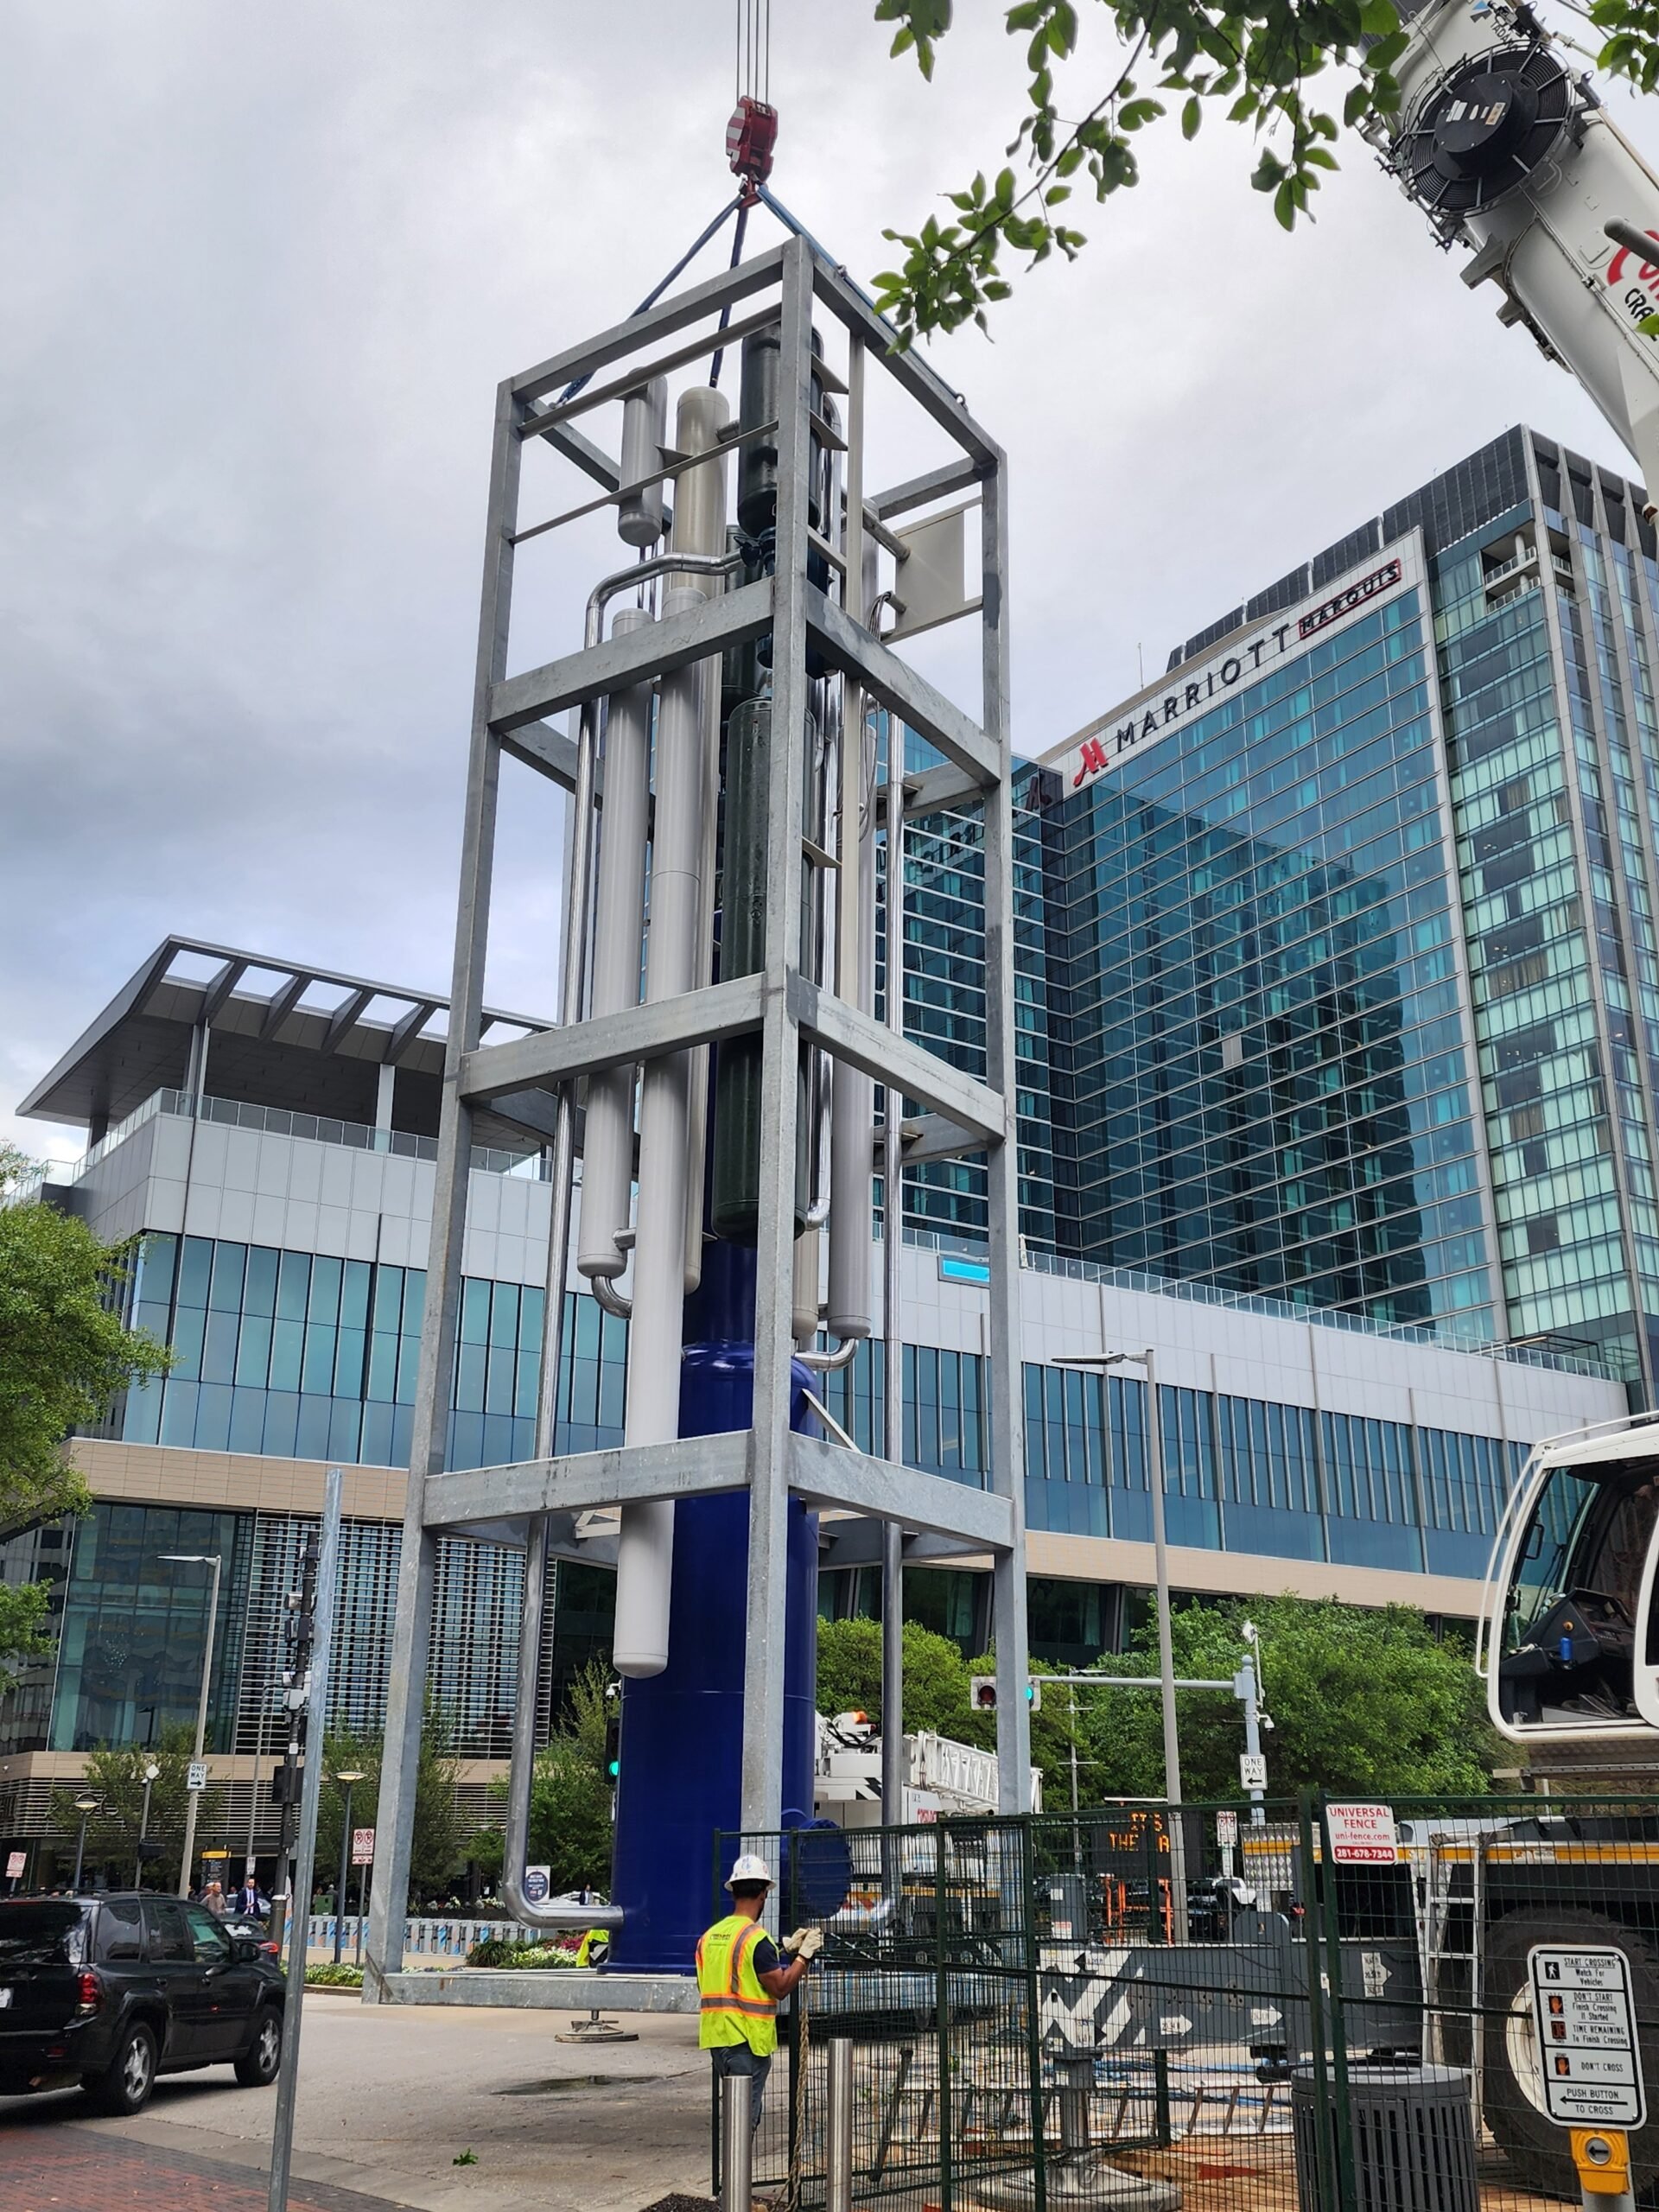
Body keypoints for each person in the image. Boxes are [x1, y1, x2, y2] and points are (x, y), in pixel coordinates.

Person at [696, 1853, 823, 2133]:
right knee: (742, 2124)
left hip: (718, 2042)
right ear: (764, 1894)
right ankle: (736, 2178)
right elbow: (780, 1987)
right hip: (747, 2044)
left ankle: (733, 2176)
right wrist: (803, 1957)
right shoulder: (756, 1939)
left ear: (734, 1892)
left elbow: (726, 1976)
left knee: (736, 2117)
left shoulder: (710, 1936)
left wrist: (782, 1951)